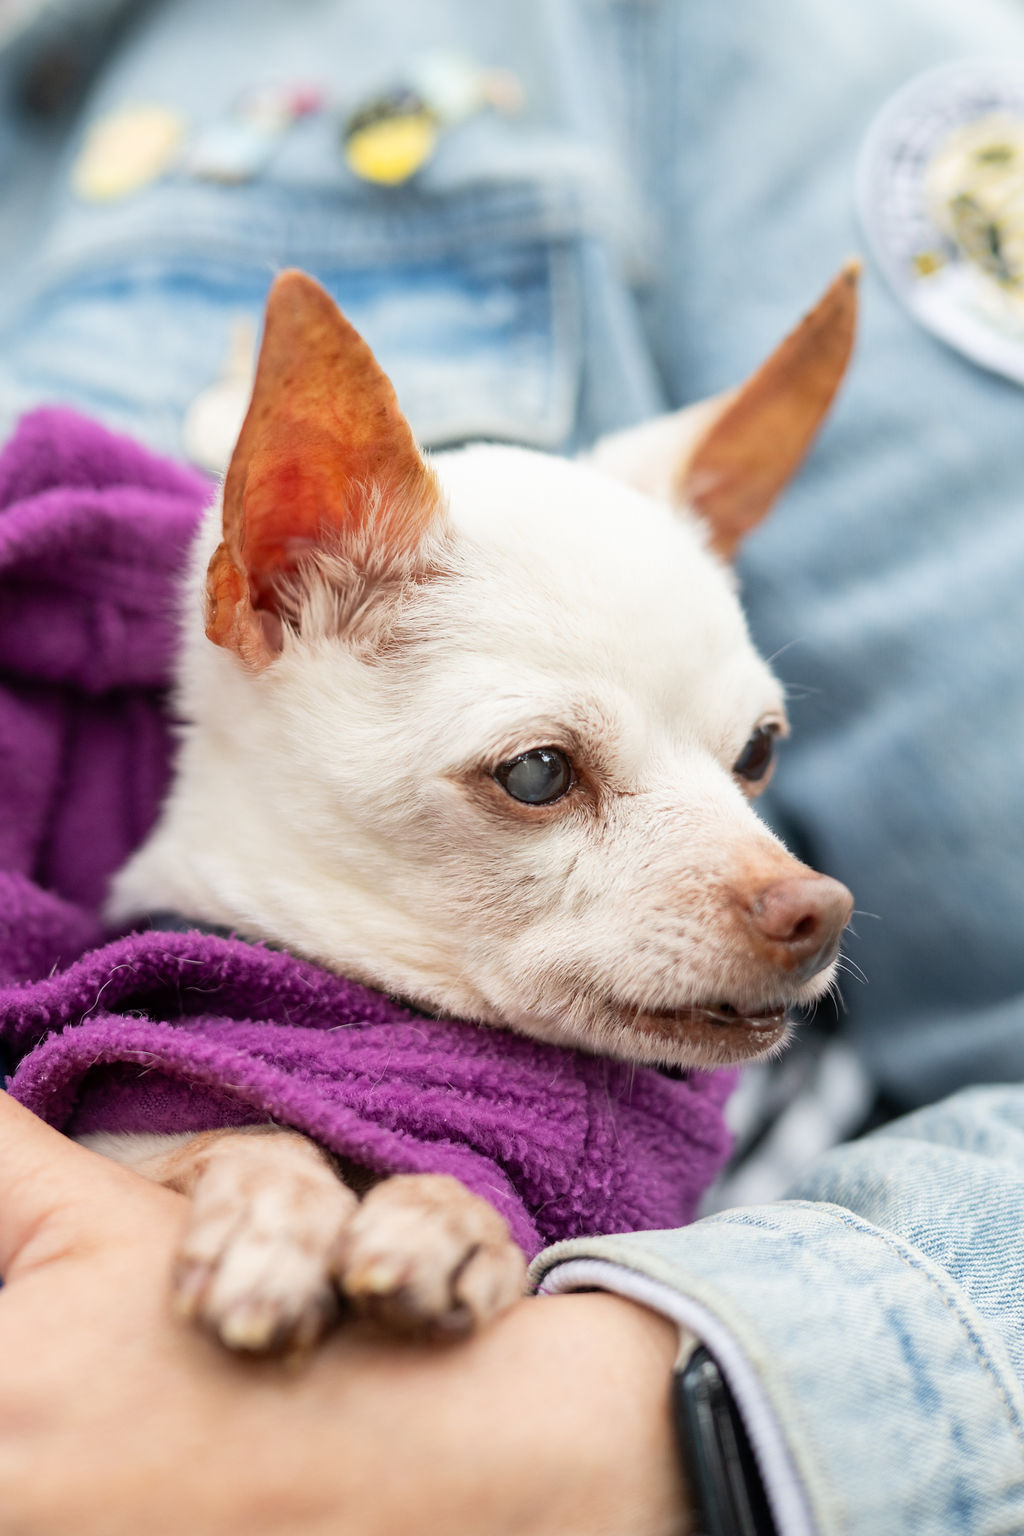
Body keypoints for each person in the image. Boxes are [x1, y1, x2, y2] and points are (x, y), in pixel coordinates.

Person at [1, 0, 1023, 1531]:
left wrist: (590, 1430)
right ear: (277, 581)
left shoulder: (669, 49)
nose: (791, 895)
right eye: (543, 775)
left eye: (747, 756)